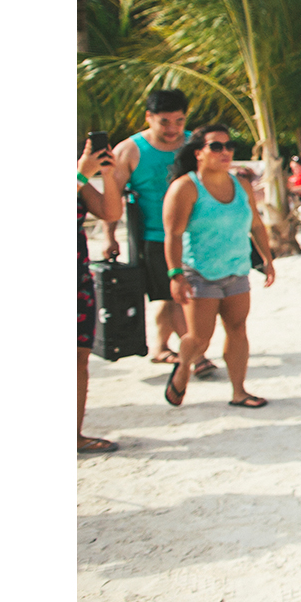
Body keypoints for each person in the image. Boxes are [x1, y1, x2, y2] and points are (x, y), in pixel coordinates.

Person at [160, 125, 277, 409]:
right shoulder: (185, 187)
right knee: (200, 338)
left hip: (236, 269)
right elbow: (173, 235)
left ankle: (239, 392)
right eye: (216, 146)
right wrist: (176, 276)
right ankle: (183, 366)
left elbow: (256, 225)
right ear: (199, 152)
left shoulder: (242, 184)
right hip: (199, 273)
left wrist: (267, 259)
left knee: (238, 328)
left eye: (229, 146)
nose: (225, 152)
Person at [106, 89, 213, 377]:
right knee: (177, 295)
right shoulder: (129, 150)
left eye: (179, 121)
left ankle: (161, 346)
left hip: (197, 236)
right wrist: (109, 236)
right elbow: (111, 196)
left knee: (170, 296)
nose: (172, 129)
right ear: (149, 118)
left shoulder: (196, 144)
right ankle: (197, 356)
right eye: (164, 122)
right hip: (155, 236)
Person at [78, 136, 124, 453]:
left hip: (77, 279)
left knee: (78, 358)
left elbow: (109, 211)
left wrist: (106, 175)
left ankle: (74, 434)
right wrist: (81, 173)